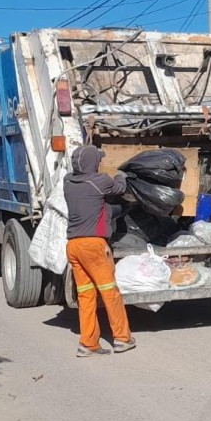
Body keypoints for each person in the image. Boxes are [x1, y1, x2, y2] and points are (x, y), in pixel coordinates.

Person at [64, 145, 136, 356]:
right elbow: (119, 188)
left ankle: (87, 343)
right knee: (110, 293)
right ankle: (123, 338)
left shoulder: (68, 182)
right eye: (98, 160)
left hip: (73, 246)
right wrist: (121, 175)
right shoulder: (100, 181)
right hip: (93, 246)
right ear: (93, 164)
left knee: (86, 296)